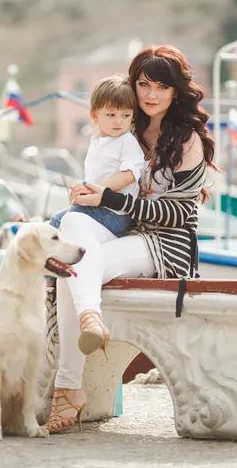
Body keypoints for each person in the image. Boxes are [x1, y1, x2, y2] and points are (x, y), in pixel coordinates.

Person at [44, 45, 215, 434]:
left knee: (75, 266)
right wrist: (89, 195)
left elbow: (178, 214)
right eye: (143, 84)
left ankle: (68, 388)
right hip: (124, 233)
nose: (151, 95)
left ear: (176, 91)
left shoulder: (188, 141)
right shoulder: (123, 127)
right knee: (72, 229)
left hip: (166, 244)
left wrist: (109, 197)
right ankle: (90, 320)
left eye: (162, 86)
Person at [50, 74, 144, 237]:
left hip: (117, 214)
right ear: (94, 116)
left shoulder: (126, 142)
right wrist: (82, 190)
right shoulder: (97, 141)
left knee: (60, 223)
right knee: (56, 220)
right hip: (99, 206)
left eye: (125, 115)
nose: (119, 122)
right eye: (111, 115)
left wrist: (97, 190)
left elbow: (129, 175)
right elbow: (97, 176)